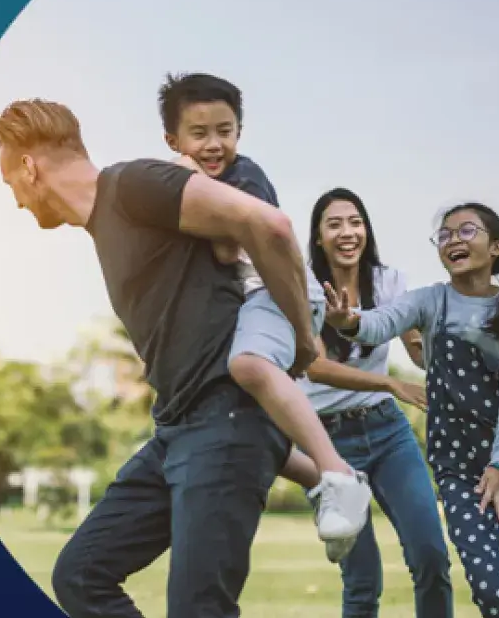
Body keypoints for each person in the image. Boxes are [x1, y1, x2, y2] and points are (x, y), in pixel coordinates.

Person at [0, 97, 362, 618]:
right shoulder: (106, 225)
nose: (17, 201)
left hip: (223, 417)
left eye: (10, 183)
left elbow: (270, 225)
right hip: (176, 431)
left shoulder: (132, 185)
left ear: (29, 167)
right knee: (81, 575)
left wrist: (303, 336)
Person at [156, 72, 372, 552]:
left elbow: (227, 251)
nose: (215, 144)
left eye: (225, 130)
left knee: (249, 366)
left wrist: (190, 179)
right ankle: (322, 484)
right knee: (242, 424)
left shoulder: (244, 176)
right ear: (173, 140)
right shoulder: (193, 182)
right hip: (253, 300)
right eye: (199, 134)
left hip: (278, 291)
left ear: (240, 131)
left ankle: (338, 475)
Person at [325, 201, 499, 617]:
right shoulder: (430, 301)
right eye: (445, 235)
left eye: (466, 231)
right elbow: (379, 322)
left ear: (497, 247)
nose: (453, 240)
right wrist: (349, 323)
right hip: (459, 468)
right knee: (490, 590)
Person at [295, 187, 453, 616]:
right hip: (326, 444)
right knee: (363, 579)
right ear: (319, 237)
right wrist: (389, 384)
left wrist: (448, 344)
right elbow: (315, 366)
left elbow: (417, 350)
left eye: (355, 222)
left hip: (387, 432)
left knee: (431, 556)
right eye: (334, 224)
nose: (347, 232)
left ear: (366, 230)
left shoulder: (388, 282)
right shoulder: (301, 287)